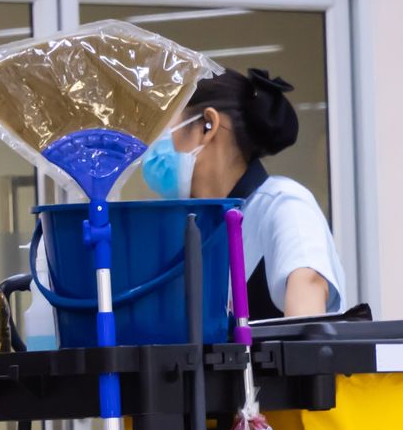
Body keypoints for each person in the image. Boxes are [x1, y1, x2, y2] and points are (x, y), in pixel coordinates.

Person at [139, 68, 348, 318]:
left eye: (166, 131)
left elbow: (308, 302)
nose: (155, 149)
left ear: (208, 125)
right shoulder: (198, 227)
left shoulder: (284, 205)